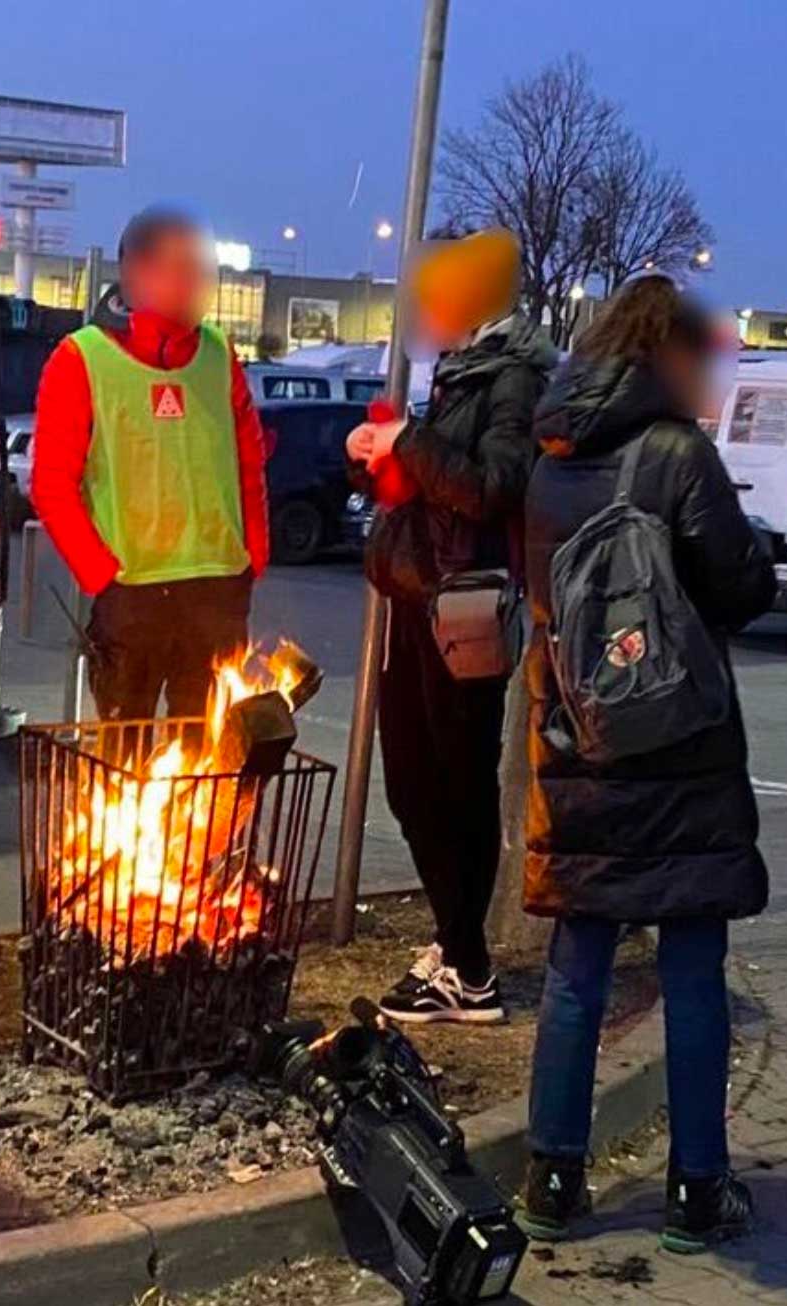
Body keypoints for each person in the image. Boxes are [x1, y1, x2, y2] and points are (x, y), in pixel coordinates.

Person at [510, 275, 775, 1255]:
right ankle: (696, 1191)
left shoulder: (547, 459)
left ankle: (550, 1176)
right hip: (677, 746)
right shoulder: (675, 453)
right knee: (691, 965)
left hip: (573, 740)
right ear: (667, 352)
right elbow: (737, 584)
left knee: (577, 967)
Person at [344, 229, 555, 1023]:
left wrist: (414, 442)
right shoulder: (467, 371)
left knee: (447, 788)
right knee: (415, 786)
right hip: (419, 599)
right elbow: (435, 488)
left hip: (460, 611)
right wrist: (374, 455)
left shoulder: (512, 380)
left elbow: (492, 488)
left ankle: (467, 968)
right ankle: (456, 944)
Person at [29, 205, 269, 721]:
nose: (195, 282)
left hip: (218, 586)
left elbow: (249, 460)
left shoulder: (218, 352)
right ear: (135, 272)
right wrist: (102, 574)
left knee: (208, 759)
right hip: (132, 593)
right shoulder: (81, 358)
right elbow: (51, 485)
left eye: (203, 270)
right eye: (179, 268)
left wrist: (254, 553)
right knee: (124, 762)